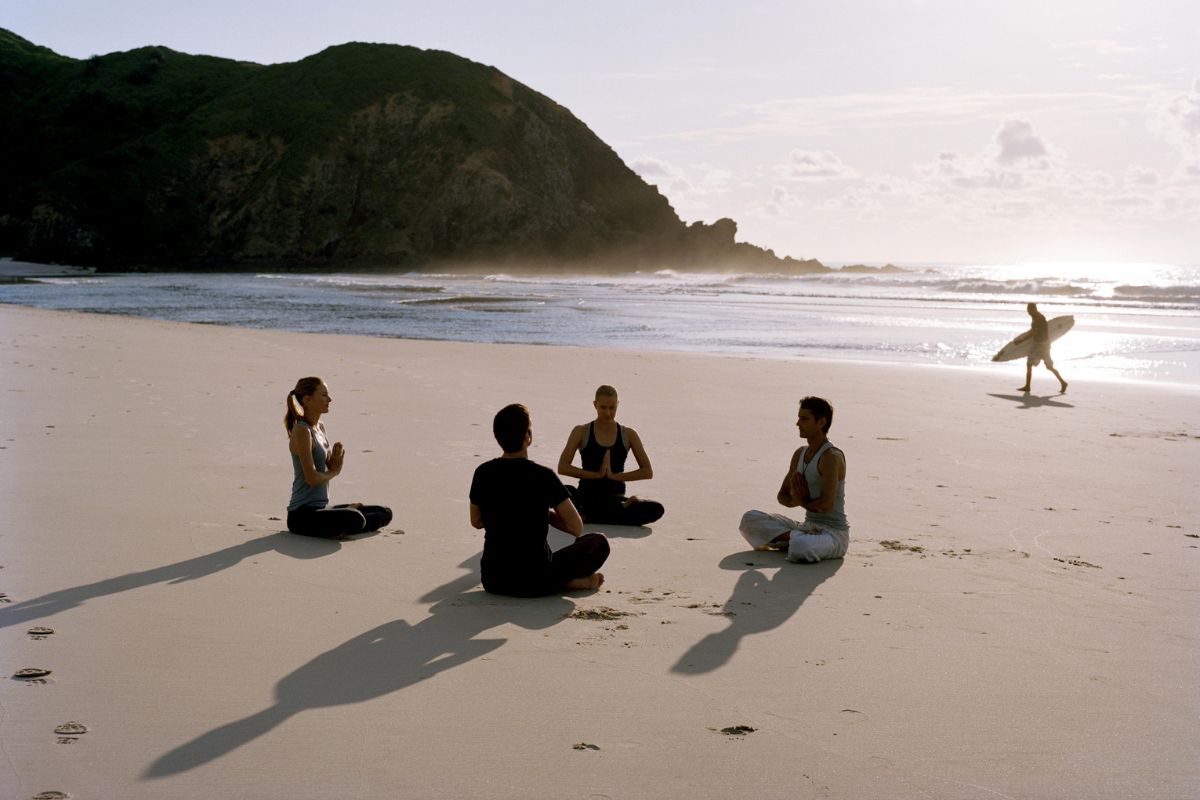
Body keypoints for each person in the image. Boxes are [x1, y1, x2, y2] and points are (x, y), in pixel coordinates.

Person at [470, 404, 609, 597]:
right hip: (536, 578)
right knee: (598, 542)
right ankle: (564, 582)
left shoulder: (482, 473)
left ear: (498, 437)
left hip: (494, 580)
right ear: (528, 436)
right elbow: (575, 527)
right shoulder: (543, 476)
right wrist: (546, 516)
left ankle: (561, 582)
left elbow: (476, 521)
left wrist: (505, 515)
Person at [739, 396, 849, 563]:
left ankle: (792, 541)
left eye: (804, 419)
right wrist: (796, 501)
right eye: (799, 418)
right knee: (749, 518)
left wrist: (802, 501)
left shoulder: (831, 457)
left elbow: (826, 505)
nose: (798, 423)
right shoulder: (800, 454)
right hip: (806, 528)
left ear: (821, 422)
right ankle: (793, 539)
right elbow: (782, 496)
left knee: (802, 546)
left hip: (833, 534)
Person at [284, 377, 392, 538]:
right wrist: (334, 472)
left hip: (322, 509)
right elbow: (311, 478)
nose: (329, 399)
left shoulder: (320, 427)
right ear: (307, 400)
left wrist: (335, 462)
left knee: (384, 512)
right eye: (324, 395)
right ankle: (340, 525)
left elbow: (327, 466)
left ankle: (338, 527)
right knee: (355, 518)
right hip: (301, 515)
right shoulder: (302, 431)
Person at [556, 385, 664, 527]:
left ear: (617, 405)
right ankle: (616, 513)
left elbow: (647, 471)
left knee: (656, 508)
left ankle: (590, 515)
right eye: (603, 408)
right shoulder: (581, 431)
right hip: (586, 496)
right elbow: (562, 467)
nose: (608, 413)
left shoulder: (629, 434)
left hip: (615, 497)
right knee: (563, 491)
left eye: (612, 408)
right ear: (595, 405)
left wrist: (614, 476)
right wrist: (596, 475)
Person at [1018, 302, 1068, 394]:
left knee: (1033, 364)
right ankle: (1063, 382)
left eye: (1029, 310)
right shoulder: (1036, 317)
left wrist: (1022, 340)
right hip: (1044, 344)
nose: (1028, 312)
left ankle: (1028, 386)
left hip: (1040, 345)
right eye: (1027, 310)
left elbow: (1034, 332)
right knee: (1047, 366)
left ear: (1033, 309)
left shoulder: (1039, 318)